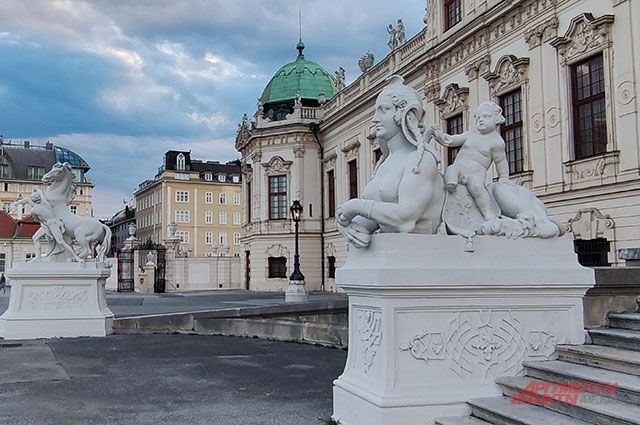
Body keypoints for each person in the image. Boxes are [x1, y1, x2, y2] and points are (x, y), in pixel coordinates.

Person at [336, 75, 445, 248]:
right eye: (375, 111)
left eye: (383, 110)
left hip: (418, 251)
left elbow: (406, 218)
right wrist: (346, 224)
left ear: (404, 113)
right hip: (392, 252)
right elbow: (373, 220)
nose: (375, 119)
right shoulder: (384, 164)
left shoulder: (421, 159)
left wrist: (355, 206)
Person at [431, 101, 510, 221]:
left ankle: (487, 212)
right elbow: (452, 140)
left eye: (486, 117)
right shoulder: (471, 134)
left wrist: (504, 177)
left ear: (497, 119)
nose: (481, 120)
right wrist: (440, 136)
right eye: (478, 118)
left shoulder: (496, 142)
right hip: (459, 169)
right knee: (450, 171)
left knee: (477, 187)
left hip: (476, 174)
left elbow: (501, 161)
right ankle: (451, 189)